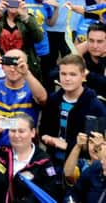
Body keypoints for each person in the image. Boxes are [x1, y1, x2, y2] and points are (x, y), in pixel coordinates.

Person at [39, 54, 106, 194]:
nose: (67, 78)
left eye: (72, 74)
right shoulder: (53, 100)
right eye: (63, 74)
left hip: (80, 167)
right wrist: (46, 138)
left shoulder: (95, 106)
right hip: (52, 161)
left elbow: (97, 145)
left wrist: (67, 145)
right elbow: (44, 129)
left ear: (83, 76)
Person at [0, 113, 60, 202]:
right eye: (13, 131)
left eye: (21, 131)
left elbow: (49, 195)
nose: (16, 135)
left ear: (33, 132)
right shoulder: (0, 153)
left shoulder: (44, 162)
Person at [0, 49, 47, 146]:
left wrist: (26, 73)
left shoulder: (32, 88)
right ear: (2, 66)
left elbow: (42, 98)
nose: (13, 69)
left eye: (18, 64)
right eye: (9, 63)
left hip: (22, 146)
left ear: (26, 66)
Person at [0, 0, 44, 80]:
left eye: (16, 2)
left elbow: (39, 38)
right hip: (3, 64)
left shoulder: (28, 18)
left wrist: (25, 17)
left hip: (24, 64)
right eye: (10, 2)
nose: (13, 5)